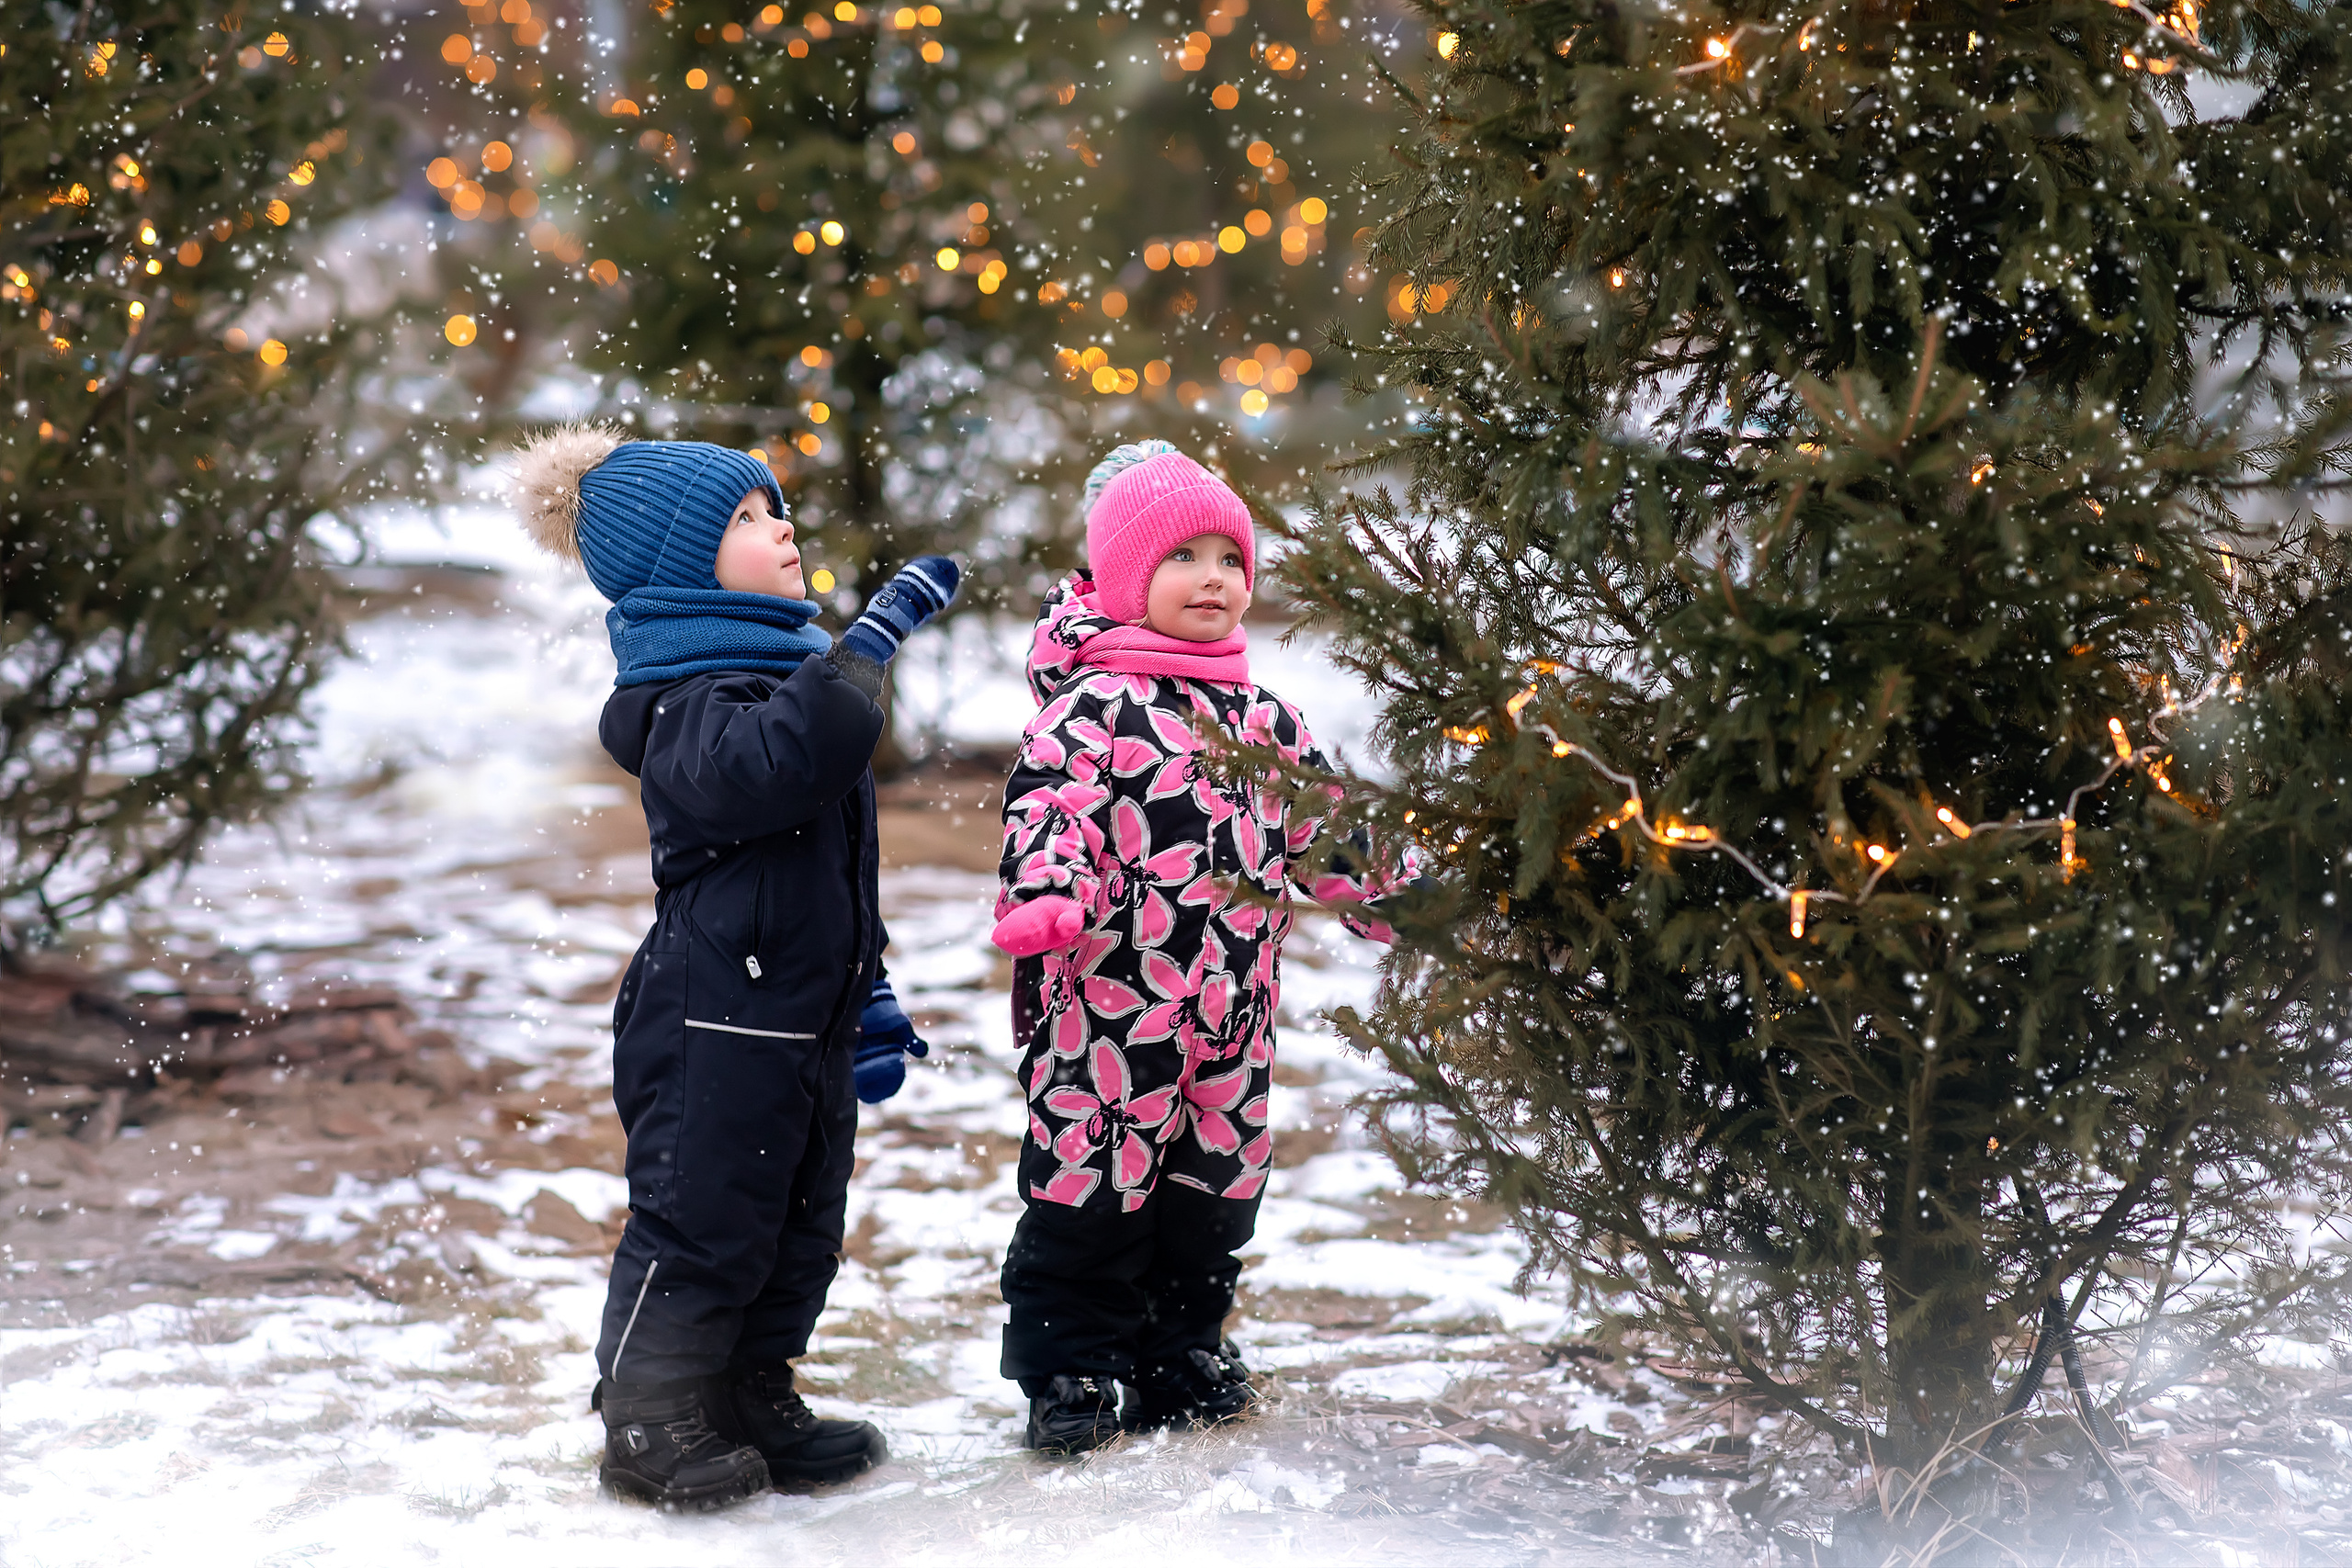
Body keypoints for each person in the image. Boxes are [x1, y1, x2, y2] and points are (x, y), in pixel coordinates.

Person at [511, 425, 957, 1509]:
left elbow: (833, 868)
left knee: (800, 1220)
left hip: (802, 1010)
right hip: (711, 1015)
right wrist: (868, 646)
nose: (782, 527)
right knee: (702, 1221)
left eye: (776, 508)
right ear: (680, 566)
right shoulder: (687, 698)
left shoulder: (777, 676)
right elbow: (773, 769)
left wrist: (869, 990)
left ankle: (750, 1389)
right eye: (745, 519)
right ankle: (649, 1414)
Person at [991, 440, 1397, 1455]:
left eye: (1229, 559)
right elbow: (1049, 809)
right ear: (1127, 579)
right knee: (1089, 1186)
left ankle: (1181, 1348)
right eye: (1182, 558)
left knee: (1213, 1192)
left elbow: (1322, 827)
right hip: (1109, 1012)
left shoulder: (1268, 720)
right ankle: (1073, 1365)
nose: (1212, 577)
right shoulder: (1093, 710)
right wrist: (1046, 894)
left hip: (1233, 1015)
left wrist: (1390, 894)